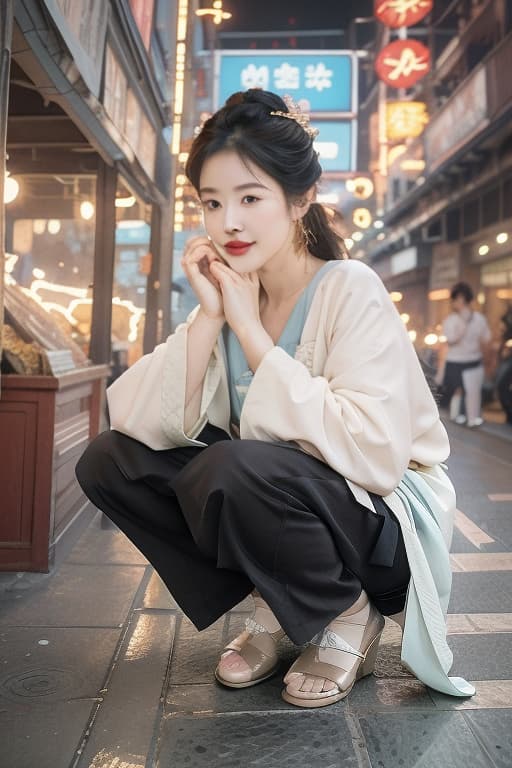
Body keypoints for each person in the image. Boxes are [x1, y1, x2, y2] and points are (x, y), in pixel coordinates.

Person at [76, 89, 474, 707]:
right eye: (212, 203)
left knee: (229, 465)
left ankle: (347, 609)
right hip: (287, 506)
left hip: (382, 527)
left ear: (301, 200)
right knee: (108, 459)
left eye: (250, 198)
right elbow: (138, 421)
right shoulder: (234, 294)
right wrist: (211, 318)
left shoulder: (349, 288)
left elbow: (373, 455)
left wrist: (255, 337)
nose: (228, 221)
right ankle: (274, 600)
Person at [440, 282, 491, 427]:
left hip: (470, 361)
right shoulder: (453, 320)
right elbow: (486, 339)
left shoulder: (476, 319)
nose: (453, 303)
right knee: (461, 392)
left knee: (468, 393)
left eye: (454, 299)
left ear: (461, 299)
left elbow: (486, 339)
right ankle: (460, 417)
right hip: (460, 361)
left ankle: (468, 418)